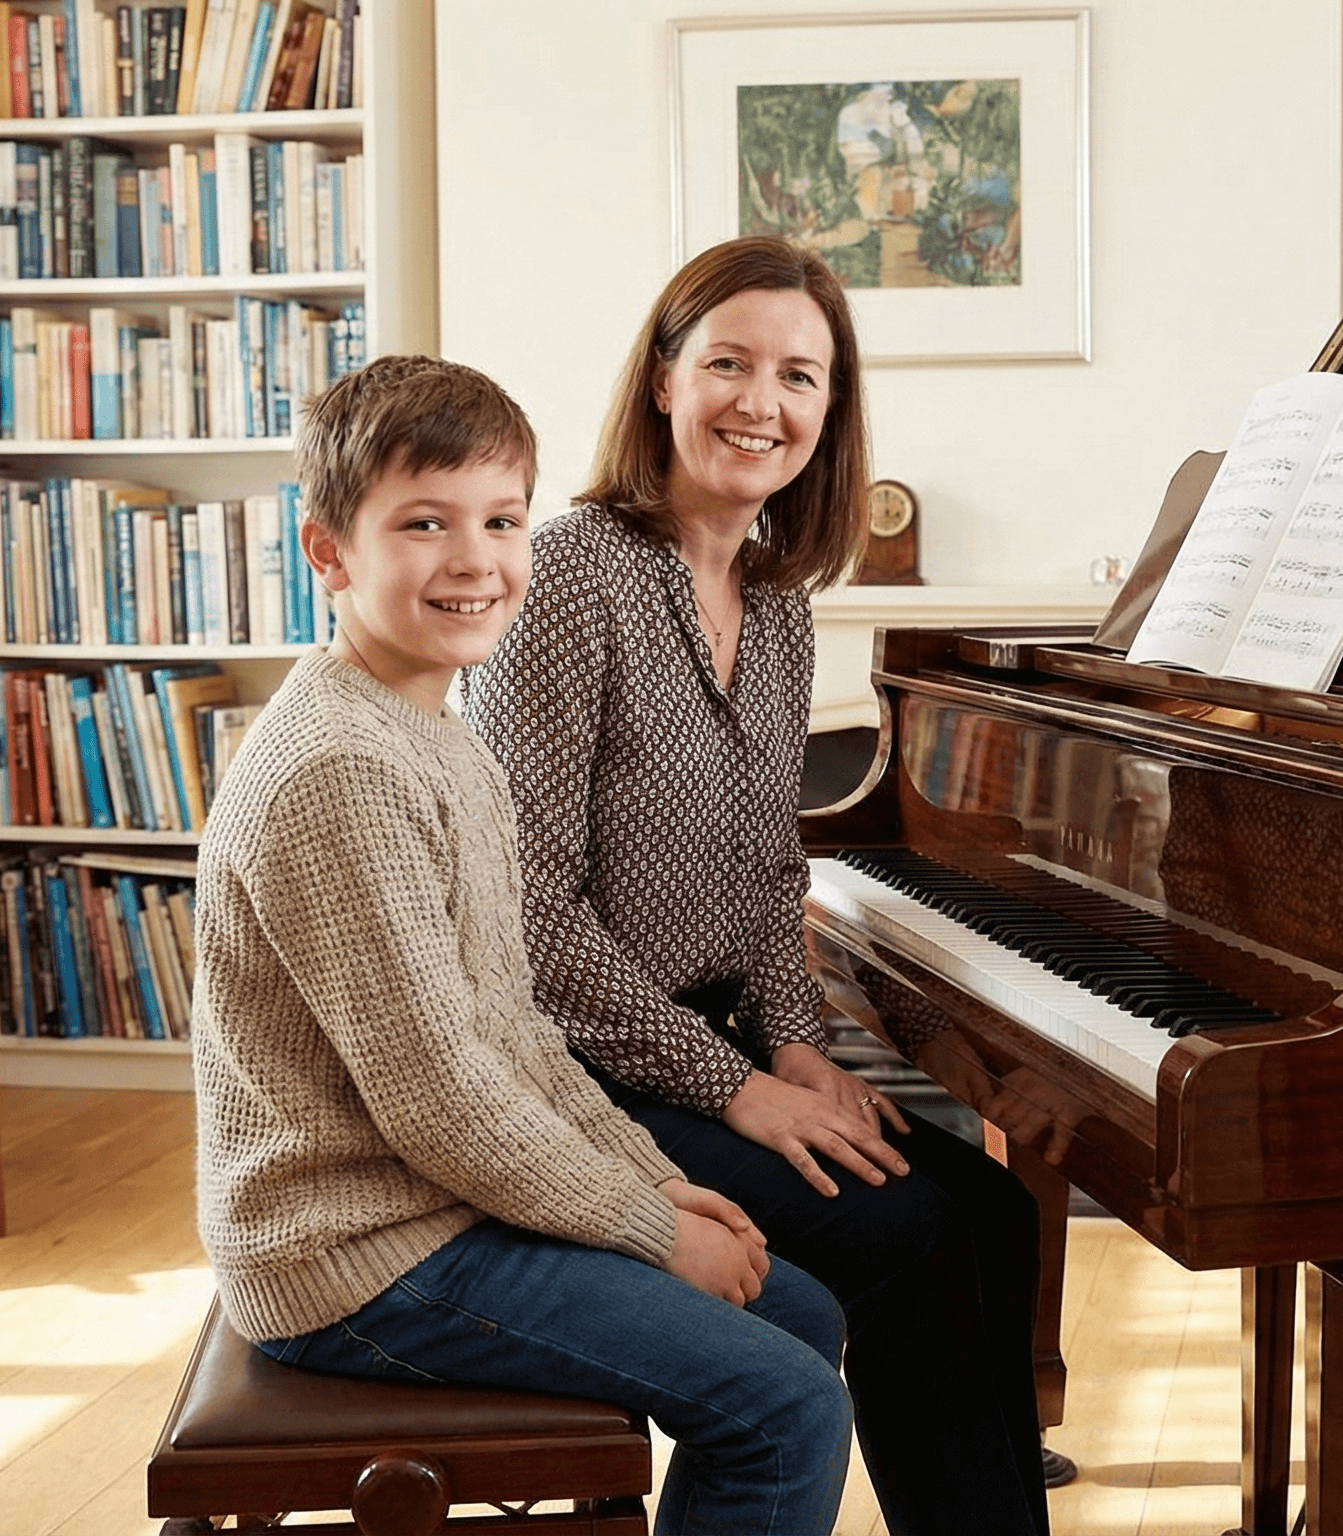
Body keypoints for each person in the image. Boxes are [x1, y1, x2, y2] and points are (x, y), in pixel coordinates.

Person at [189, 354, 851, 1536]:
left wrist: (656, 1181)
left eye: (501, 521)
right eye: (424, 524)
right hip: (354, 1255)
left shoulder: (439, 731)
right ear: (329, 552)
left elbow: (516, 1034)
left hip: (426, 1205)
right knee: (787, 1407)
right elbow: (443, 1101)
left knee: (795, 1311)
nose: (475, 561)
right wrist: (652, 1230)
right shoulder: (342, 768)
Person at [461, 236, 1055, 1536]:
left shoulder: (780, 601)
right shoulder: (570, 574)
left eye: (799, 375)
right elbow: (526, 918)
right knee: (912, 1245)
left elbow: (765, 871)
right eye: (727, 361)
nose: (759, 402)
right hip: (574, 1075)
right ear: (664, 378)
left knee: (996, 1212)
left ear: (830, 413)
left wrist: (794, 1038)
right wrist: (739, 1086)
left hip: (715, 1043)